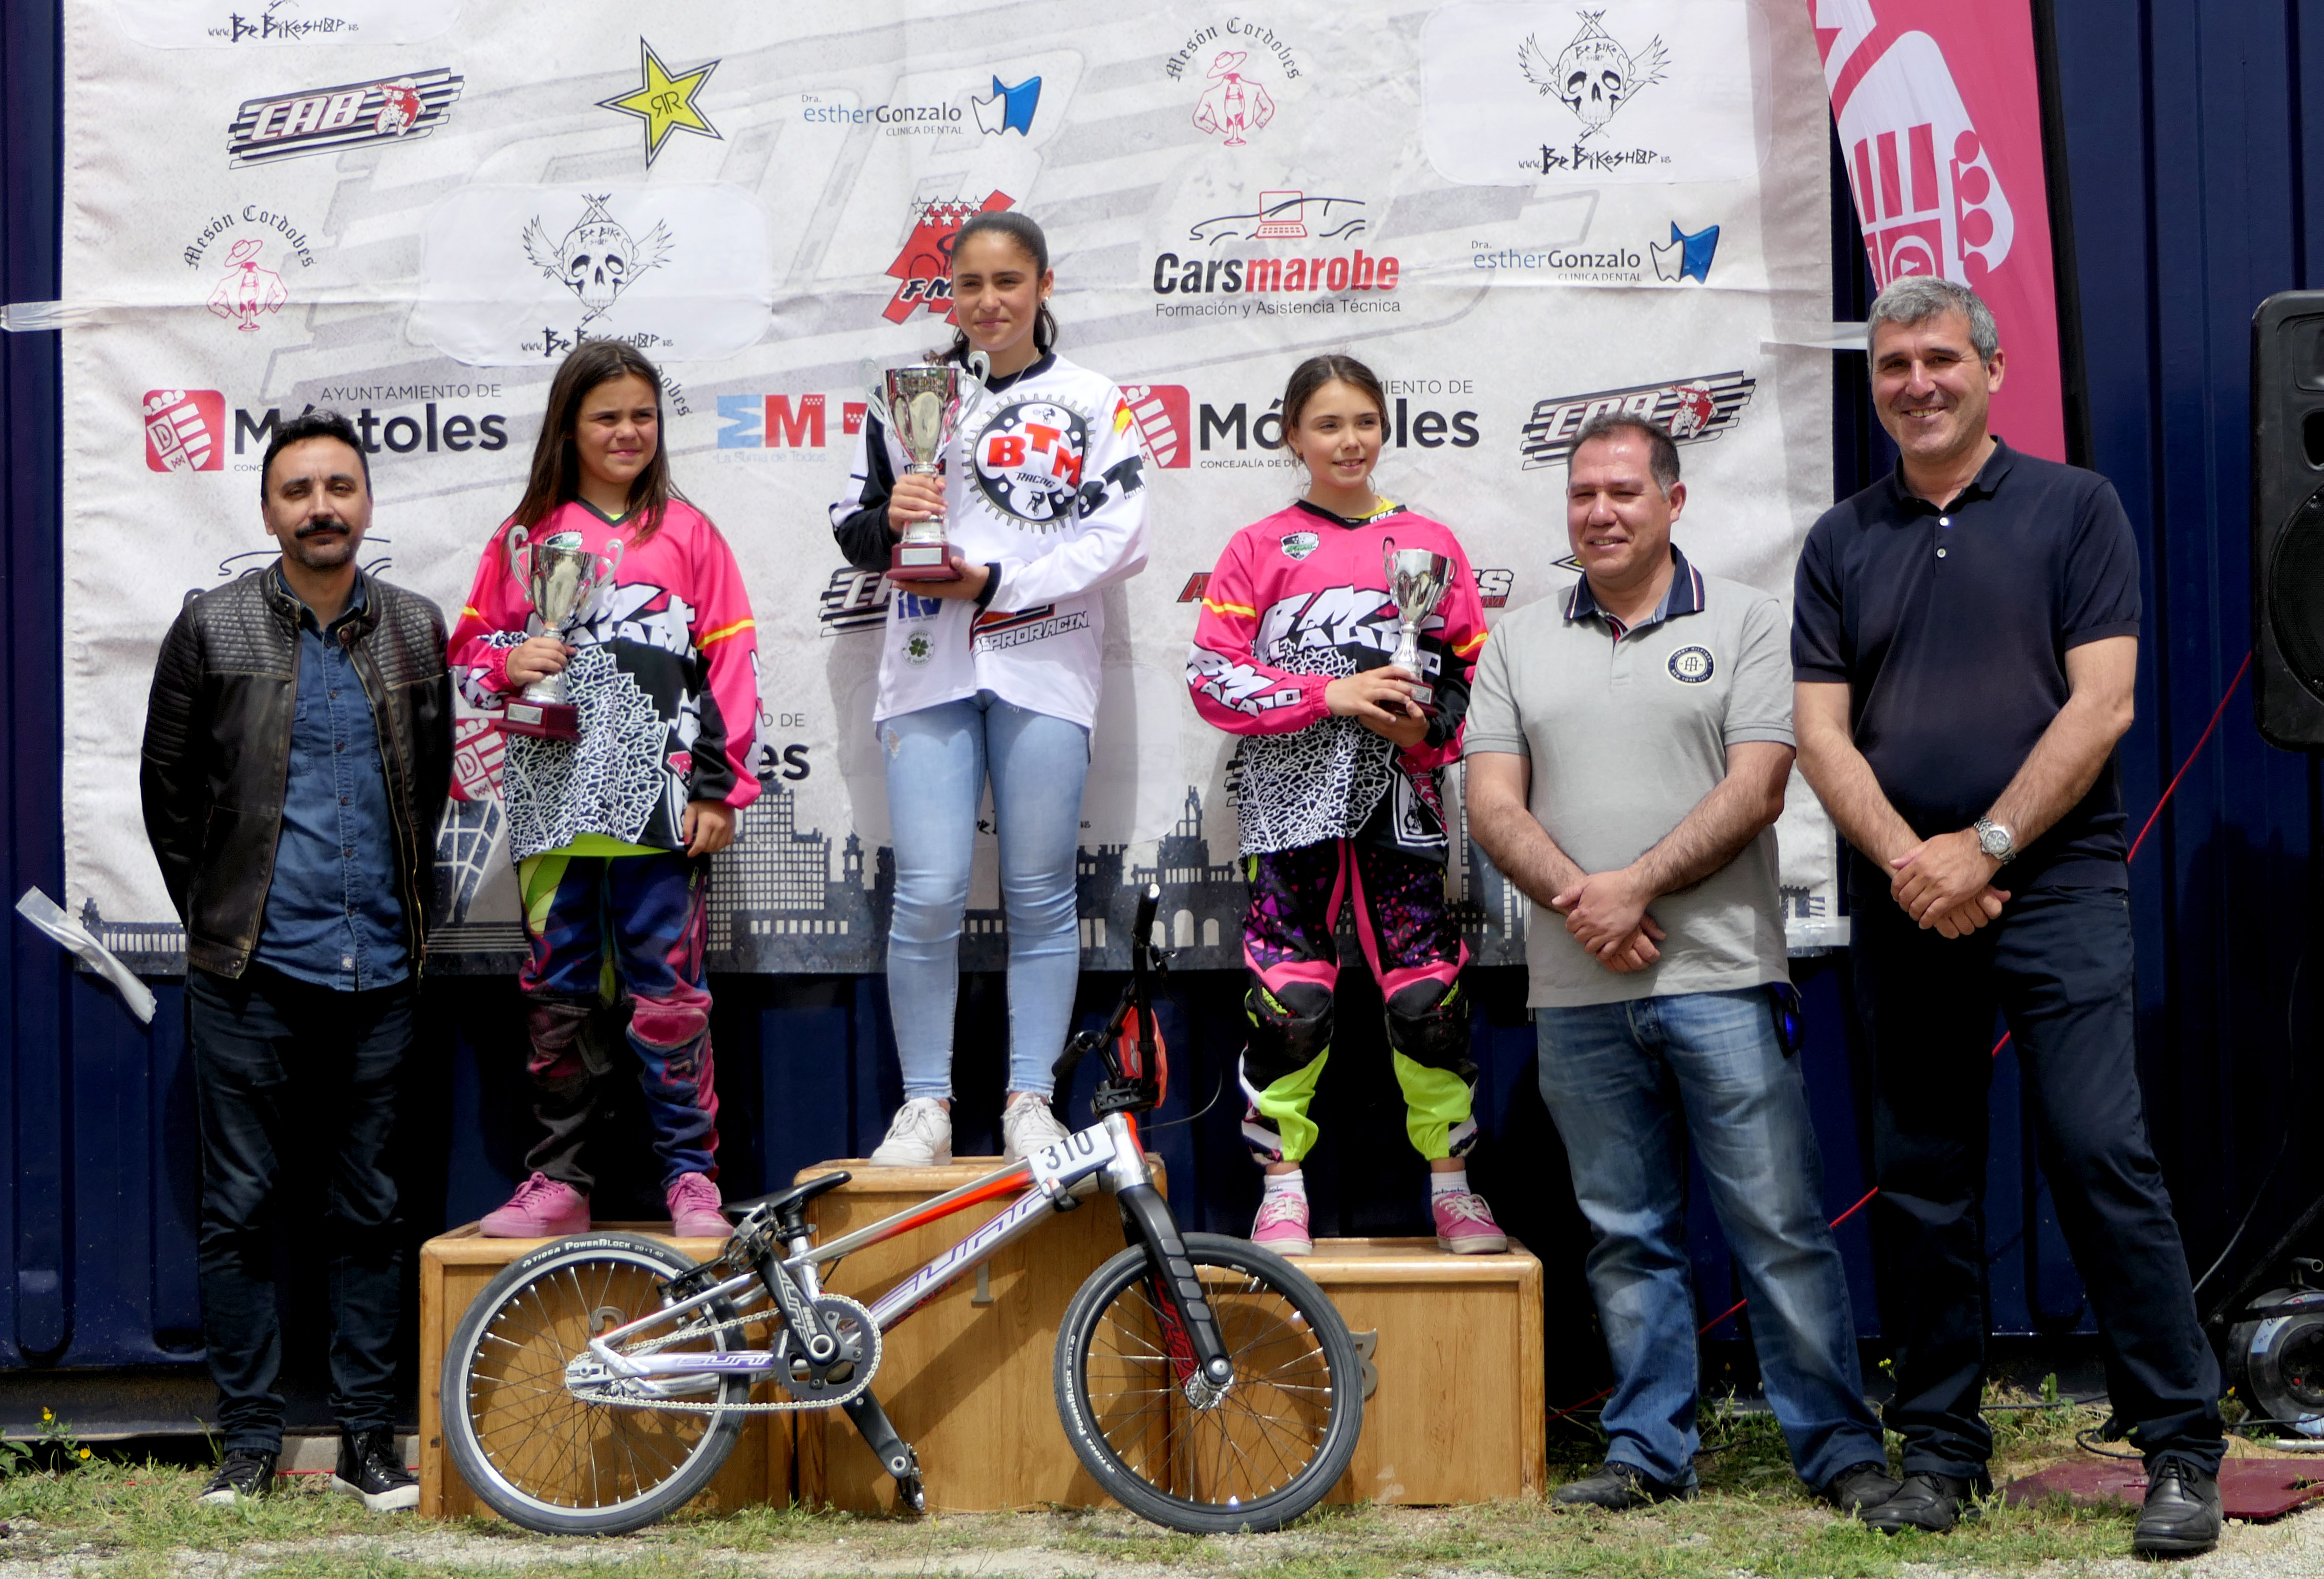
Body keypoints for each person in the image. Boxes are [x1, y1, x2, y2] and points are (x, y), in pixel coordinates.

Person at [1793, 276, 2223, 1555]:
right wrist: (1911, 864)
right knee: (1922, 1176)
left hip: (2054, 882)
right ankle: (1938, 1452)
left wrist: (1981, 847)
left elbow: (2102, 705)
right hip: (1905, 898)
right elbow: (1819, 734)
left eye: (1937, 359)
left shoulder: (2074, 509)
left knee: (2096, 1152)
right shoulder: (1839, 539)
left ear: (1990, 370)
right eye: (1891, 366)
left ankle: (2180, 1449)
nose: (1914, 383)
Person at [1464, 412, 1894, 1512]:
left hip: (1721, 977)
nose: (1600, 513)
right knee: (1622, 1233)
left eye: (1623, 492)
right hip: (1576, 990)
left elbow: (1758, 788)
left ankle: (1838, 1450)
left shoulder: (1746, 620)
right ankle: (1648, 1451)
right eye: (1582, 494)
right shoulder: (1516, 641)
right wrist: (1587, 900)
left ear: (1672, 501)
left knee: (1779, 1227)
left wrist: (1632, 888)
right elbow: (1491, 804)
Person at [141, 409, 450, 1510]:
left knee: (371, 1210)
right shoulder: (212, 628)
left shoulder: (415, 630)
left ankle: (369, 1442)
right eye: (298, 491)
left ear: (366, 501)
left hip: (383, 973)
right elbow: (168, 795)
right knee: (240, 1213)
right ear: (268, 510)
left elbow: (430, 786)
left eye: (339, 487)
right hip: (250, 977)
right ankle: (248, 1446)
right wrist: (224, 918)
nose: (321, 507)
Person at [831, 210, 1149, 1167]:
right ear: (950, 294)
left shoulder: (1091, 399)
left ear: (1044, 285)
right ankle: (925, 1104)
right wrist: (895, 517)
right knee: (928, 892)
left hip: (1045, 662)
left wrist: (999, 583)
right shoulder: (908, 396)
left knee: (1040, 893)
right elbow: (853, 528)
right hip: (926, 666)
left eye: (1008, 281)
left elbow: (1122, 538)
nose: (989, 302)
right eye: (969, 284)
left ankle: (1029, 1099)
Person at [1186, 353, 1505, 1256]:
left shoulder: (1430, 543)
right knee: (1291, 997)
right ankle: (1281, 1187)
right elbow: (1211, 678)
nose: (1349, 440)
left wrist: (1424, 731)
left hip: (1402, 796)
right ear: (1292, 436)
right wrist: (1329, 695)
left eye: (1364, 421)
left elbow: (1475, 676)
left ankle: (1453, 1187)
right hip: (1291, 800)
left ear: (1385, 428)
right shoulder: (1257, 547)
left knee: (1427, 994)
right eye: (1327, 424)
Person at [451, 343, 762, 1240]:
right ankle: (559, 1181)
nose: (628, 432)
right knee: (557, 1000)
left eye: (643, 416)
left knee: (670, 1002)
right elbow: (467, 660)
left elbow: (730, 665)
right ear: (568, 427)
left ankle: (692, 1179)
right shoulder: (524, 537)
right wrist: (510, 663)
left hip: (661, 808)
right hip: (554, 807)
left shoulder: (690, 534)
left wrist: (718, 790)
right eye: (607, 417)